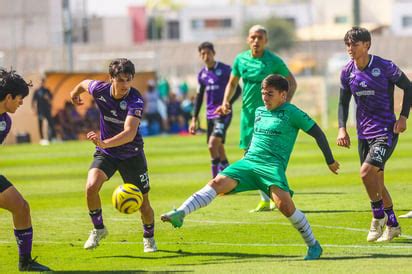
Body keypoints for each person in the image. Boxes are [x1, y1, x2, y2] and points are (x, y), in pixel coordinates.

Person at [161, 74, 339, 260]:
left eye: (270, 94)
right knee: (217, 182)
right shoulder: (259, 111)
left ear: (283, 95)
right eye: (263, 93)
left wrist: (330, 160)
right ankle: (181, 212)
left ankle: (313, 246)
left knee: (285, 207)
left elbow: (318, 133)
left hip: (271, 167)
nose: (265, 97)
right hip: (249, 162)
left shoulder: (292, 113)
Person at [69, 58, 157, 252]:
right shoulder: (100, 89)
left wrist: (104, 142)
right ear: (111, 78)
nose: (125, 84)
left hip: (131, 154)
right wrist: (75, 93)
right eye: (121, 80)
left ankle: (149, 238)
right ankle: (99, 229)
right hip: (107, 152)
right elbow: (85, 84)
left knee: (144, 204)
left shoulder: (135, 99)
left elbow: (129, 133)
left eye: (128, 80)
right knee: (91, 187)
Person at [337, 27, 412, 242]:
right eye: (348, 44)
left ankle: (377, 216)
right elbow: (343, 102)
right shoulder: (347, 71)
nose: (350, 48)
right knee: (376, 180)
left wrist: (404, 116)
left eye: (355, 44)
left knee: (365, 173)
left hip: (386, 131)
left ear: (367, 45)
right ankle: (393, 225)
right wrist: (342, 128)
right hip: (364, 134)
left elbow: (409, 87)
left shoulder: (385, 66)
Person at [217, 25, 297, 212]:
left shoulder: (274, 61)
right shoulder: (241, 59)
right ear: (248, 39)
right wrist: (225, 102)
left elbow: (292, 82)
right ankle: (265, 200)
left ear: (266, 40)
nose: (256, 40)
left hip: (269, 117)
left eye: (260, 37)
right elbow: (232, 83)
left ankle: (279, 194)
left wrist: (284, 105)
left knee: (270, 157)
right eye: (253, 37)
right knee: (248, 155)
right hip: (248, 116)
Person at [0, 68, 51, 271]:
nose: (21, 103)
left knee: (21, 208)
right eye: (20, 99)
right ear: (9, 96)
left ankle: (25, 262)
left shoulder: (5, 122)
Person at [191, 41, 241, 177]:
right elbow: (199, 97)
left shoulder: (225, 70)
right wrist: (194, 118)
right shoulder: (202, 75)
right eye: (203, 54)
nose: (206, 56)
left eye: (208, 53)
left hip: (223, 114)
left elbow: (238, 89)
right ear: (200, 56)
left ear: (214, 53)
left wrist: (226, 104)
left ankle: (215, 181)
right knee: (218, 147)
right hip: (209, 115)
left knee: (212, 145)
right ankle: (230, 174)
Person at [31, 77, 56, 145]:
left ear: (44, 82)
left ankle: (53, 138)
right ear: (40, 82)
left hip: (47, 110)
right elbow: (33, 101)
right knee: (40, 125)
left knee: (51, 124)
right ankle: (42, 139)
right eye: (41, 81)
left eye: (43, 82)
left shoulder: (47, 90)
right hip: (40, 111)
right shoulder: (37, 91)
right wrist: (34, 110)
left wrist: (47, 98)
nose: (42, 83)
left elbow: (51, 99)